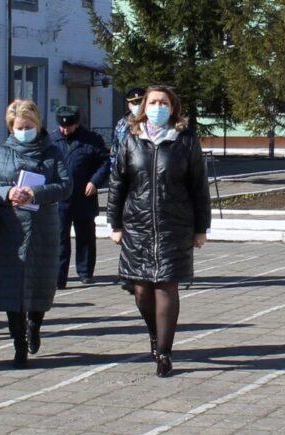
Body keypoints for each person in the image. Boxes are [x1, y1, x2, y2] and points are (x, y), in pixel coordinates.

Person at [107, 85, 211, 378]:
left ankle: (164, 353)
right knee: (141, 291)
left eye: (163, 102)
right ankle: (155, 334)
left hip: (174, 226)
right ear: (143, 107)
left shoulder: (186, 140)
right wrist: (114, 224)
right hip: (137, 226)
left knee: (166, 286)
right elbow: (118, 184)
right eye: (152, 102)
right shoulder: (131, 139)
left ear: (173, 107)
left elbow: (198, 186)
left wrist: (201, 228)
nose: (157, 106)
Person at [0, 99, 72, 368]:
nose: (24, 130)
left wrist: (36, 193)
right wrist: (7, 193)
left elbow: (66, 186)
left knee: (40, 283)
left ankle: (35, 324)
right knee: (12, 289)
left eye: (29, 126)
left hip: (43, 228)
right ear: (11, 126)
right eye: (19, 126)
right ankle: (19, 345)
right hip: (9, 230)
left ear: (38, 124)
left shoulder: (52, 152)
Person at [53, 105, 110, 288]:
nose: (65, 129)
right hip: (60, 197)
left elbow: (105, 163)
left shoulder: (91, 140)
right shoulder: (52, 140)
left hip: (84, 196)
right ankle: (59, 276)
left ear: (77, 124)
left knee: (85, 236)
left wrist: (95, 182)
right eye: (62, 126)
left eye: (69, 126)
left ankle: (85, 272)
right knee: (59, 238)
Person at [111, 87, 145, 295]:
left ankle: (140, 274)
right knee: (126, 231)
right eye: (133, 102)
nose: (136, 105)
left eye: (140, 101)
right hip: (126, 184)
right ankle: (129, 275)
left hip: (144, 184)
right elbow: (115, 154)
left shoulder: (151, 124)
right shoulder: (121, 124)